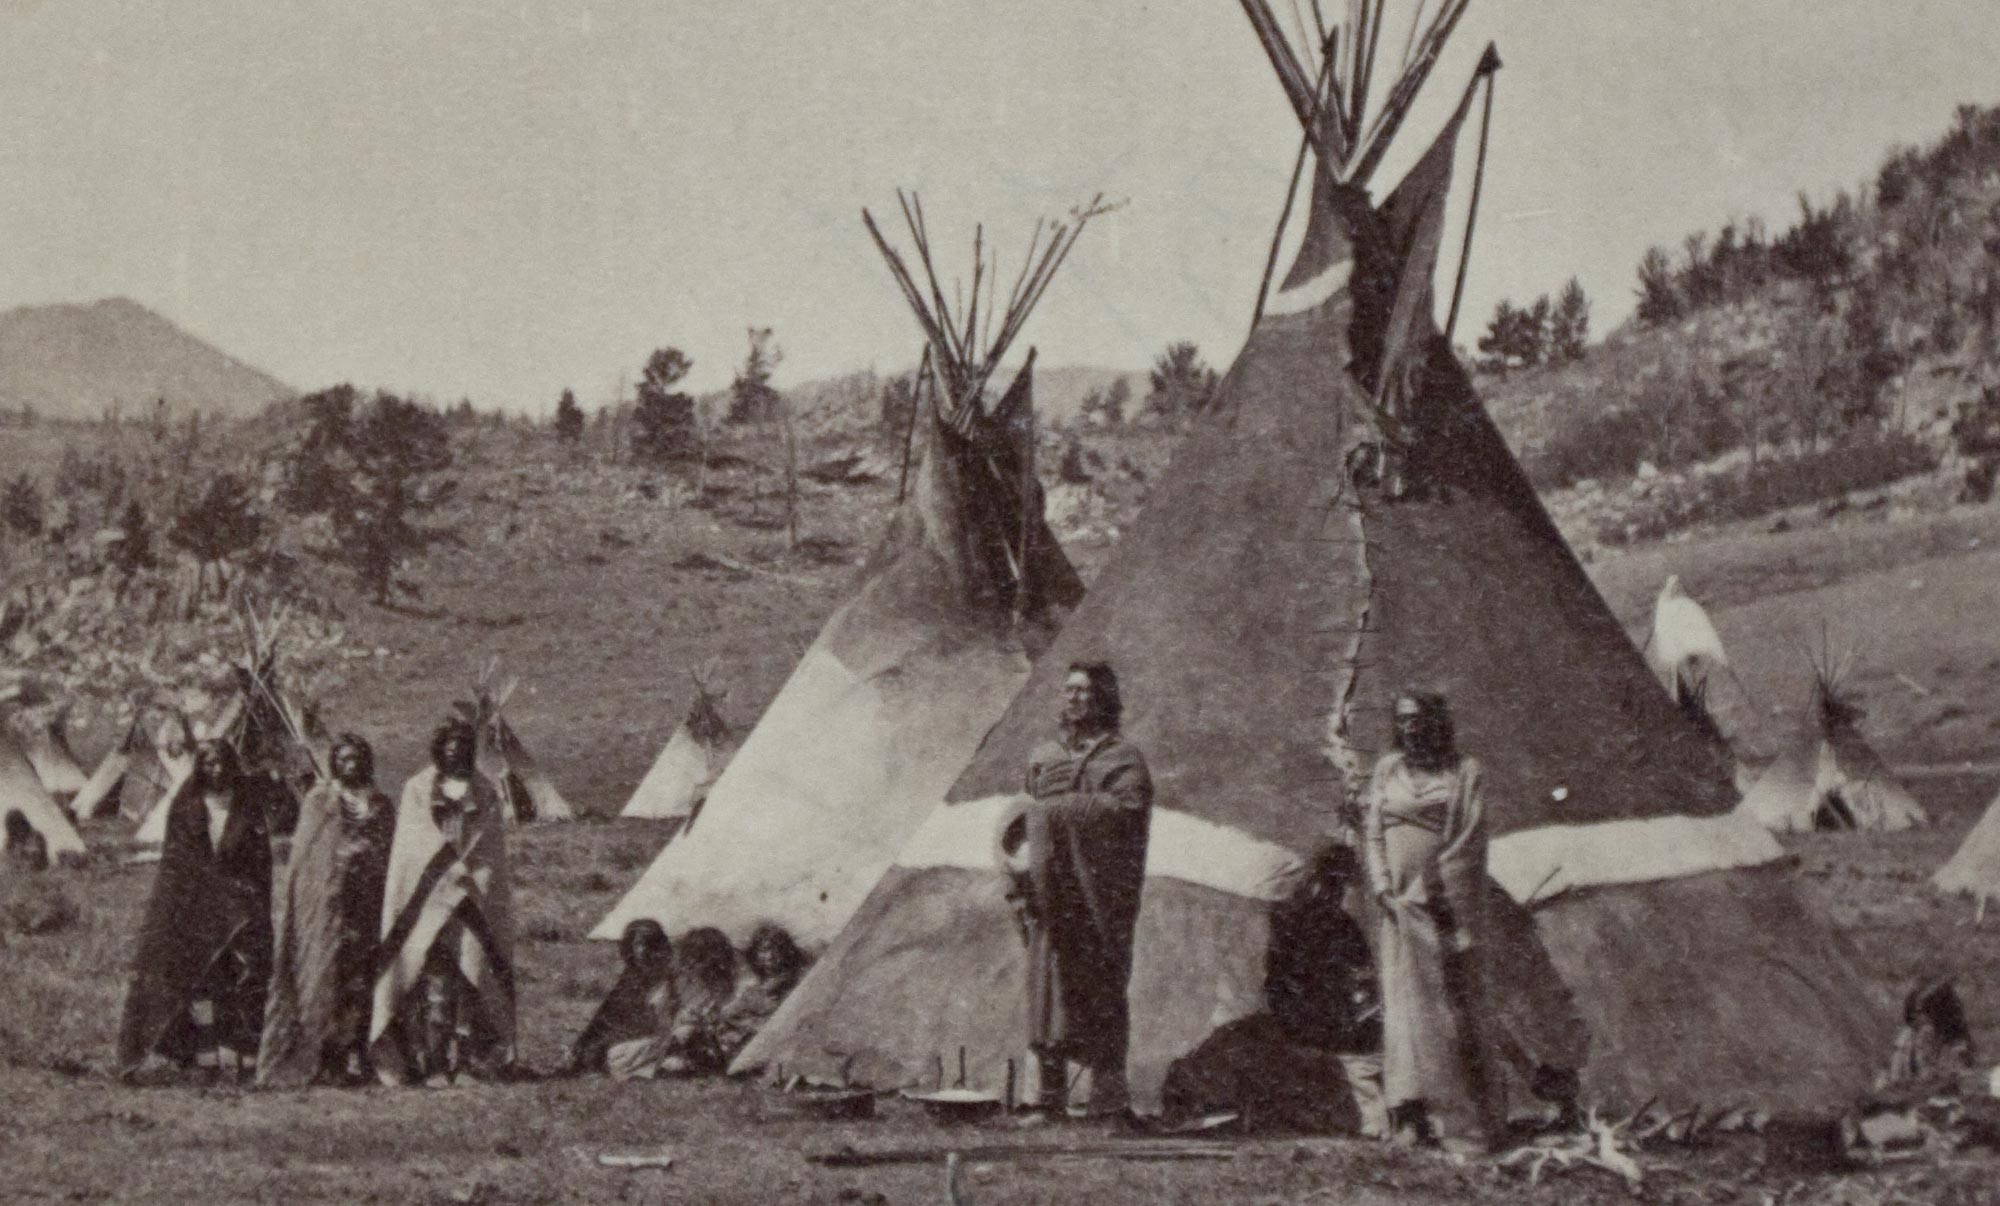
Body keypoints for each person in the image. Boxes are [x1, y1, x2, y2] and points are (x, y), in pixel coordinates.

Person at [1001, 660, 1153, 1123]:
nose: (1074, 698)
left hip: (1096, 901)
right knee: (1048, 994)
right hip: (1052, 900)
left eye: (1084, 691)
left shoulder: (1122, 758)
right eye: (1068, 690)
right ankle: (1047, 1101)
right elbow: (1026, 812)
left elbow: (1128, 810)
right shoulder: (1043, 756)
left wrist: (1062, 810)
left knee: (1102, 990)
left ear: (1104, 698)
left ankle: (1108, 1102)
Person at [1363, 692, 1500, 1155]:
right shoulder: (1387, 770)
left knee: (1446, 1008)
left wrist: (1427, 895)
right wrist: (1383, 888)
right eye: (1402, 720)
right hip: (1396, 907)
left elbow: (1468, 843)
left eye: (1420, 720)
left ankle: (1459, 1119)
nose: (1410, 729)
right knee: (1403, 1007)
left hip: (1443, 910)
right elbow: (1374, 832)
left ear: (1437, 723)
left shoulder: (1464, 773)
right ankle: (1408, 1111)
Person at [369, 717, 516, 1085]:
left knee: (473, 976)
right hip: (429, 897)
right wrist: (447, 872)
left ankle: (470, 1062)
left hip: (473, 897)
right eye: (448, 747)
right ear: (438, 751)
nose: (455, 752)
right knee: (432, 980)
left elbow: (488, 848)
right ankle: (432, 1063)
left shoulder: (485, 791)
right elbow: (416, 842)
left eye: (463, 747)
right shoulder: (417, 789)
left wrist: (467, 877)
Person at [117, 739, 274, 1081]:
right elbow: (176, 862)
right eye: (208, 763)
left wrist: (251, 900)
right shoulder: (187, 803)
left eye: (220, 763)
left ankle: (239, 1055)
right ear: (200, 767)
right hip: (196, 905)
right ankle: (204, 1056)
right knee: (201, 981)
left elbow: (260, 861)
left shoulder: (247, 803)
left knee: (240, 979)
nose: (215, 770)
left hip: (240, 909)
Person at [258, 734, 395, 1086]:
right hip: (327, 909)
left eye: (358, 758)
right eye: (345, 759)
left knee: (365, 979)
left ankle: (365, 1056)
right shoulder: (319, 801)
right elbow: (307, 860)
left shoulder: (381, 804)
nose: (352, 765)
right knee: (325, 977)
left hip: (369, 906)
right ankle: (325, 1059)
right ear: (336, 763)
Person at [567, 919, 677, 1076]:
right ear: (630, 947)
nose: (643, 951)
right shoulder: (630, 978)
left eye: (649, 944)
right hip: (628, 1040)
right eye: (638, 944)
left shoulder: (666, 977)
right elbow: (606, 1018)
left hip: (654, 1039)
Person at [717, 922, 810, 1065]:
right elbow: (729, 1012)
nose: (770, 956)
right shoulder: (754, 986)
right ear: (756, 954)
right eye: (765, 950)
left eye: (777, 950)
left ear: (786, 952)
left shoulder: (795, 982)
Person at [4, 809, 48, 873]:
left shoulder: (37, 837)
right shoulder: (10, 843)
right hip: (19, 874)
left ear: (24, 822)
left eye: (20, 823)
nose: (18, 828)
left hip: (38, 872)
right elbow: (8, 862)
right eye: (14, 825)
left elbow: (43, 860)